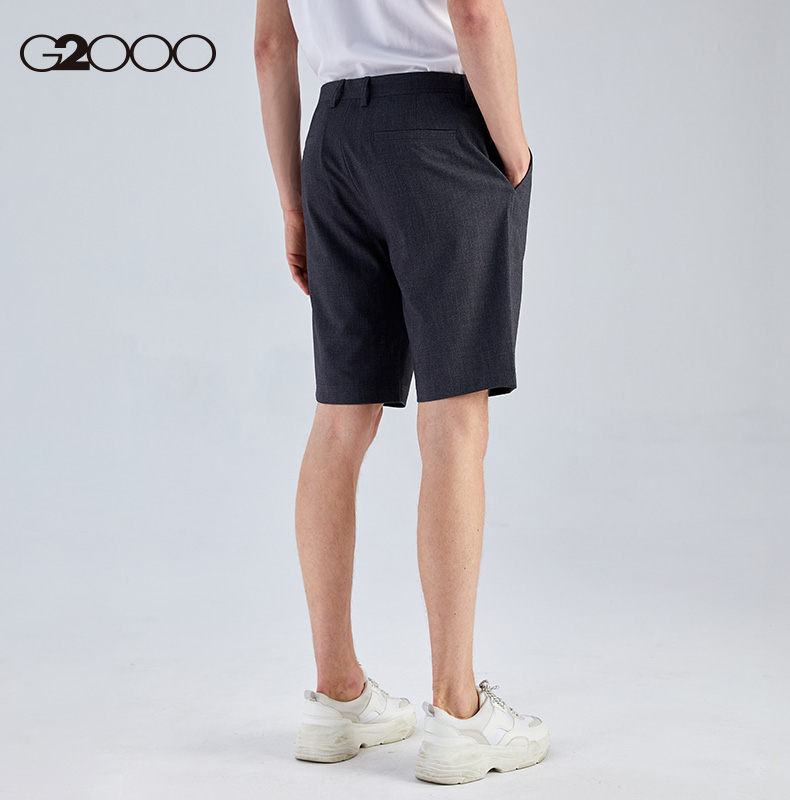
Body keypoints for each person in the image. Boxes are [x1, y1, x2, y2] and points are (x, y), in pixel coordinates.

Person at [254, 0, 549, 784]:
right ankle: (458, 713)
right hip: (438, 128)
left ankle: (336, 694)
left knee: (339, 419)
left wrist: (292, 199)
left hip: (333, 141)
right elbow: (474, 14)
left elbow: (270, 46)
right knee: (454, 420)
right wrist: (514, 153)